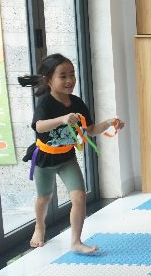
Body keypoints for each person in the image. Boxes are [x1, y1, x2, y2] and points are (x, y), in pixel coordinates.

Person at [19, 54, 124, 254]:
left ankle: (76, 241)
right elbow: (39, 126)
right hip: (44, 158)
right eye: (63, 76)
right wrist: (62, 119)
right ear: (49, 80)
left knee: (79, 196)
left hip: (67, 157)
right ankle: (39, 226)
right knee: (44, 198)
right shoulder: (45, 103)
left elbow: (90, 130)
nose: (69, 80)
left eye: (72, 74)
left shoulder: (76, 102)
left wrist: (110, 123)